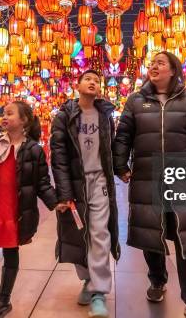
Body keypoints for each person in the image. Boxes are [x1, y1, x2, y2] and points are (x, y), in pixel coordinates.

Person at [113, 51, 186, 318]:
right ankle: (157, 279)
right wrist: (121, 165)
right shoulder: (136, 101)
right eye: (151, 63)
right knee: (152, 236)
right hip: (147, 177)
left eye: (160, 62)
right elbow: (123, 135)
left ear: (173, 70)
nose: (153, 66)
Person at [0, 101, 62, 318]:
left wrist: (56, 202)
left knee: (11, 255)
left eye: (10, 113)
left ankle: (3, 302)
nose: (4, 117)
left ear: (24, 120)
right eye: (3, 113)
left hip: (16, 213)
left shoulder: (34, 150)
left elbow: (42, 183)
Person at [50, 69, 120, 318]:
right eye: (88, 79)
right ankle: (88, 281)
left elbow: (110, 150)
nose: (93, 83)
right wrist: (64, 193)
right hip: (77, 185)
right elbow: (59, 158)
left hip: (100, 182)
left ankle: (99, 291)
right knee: (79, 235)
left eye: (97, 81)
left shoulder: (105, 115)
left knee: (100, 233)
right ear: (77, 85)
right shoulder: (63, 117)